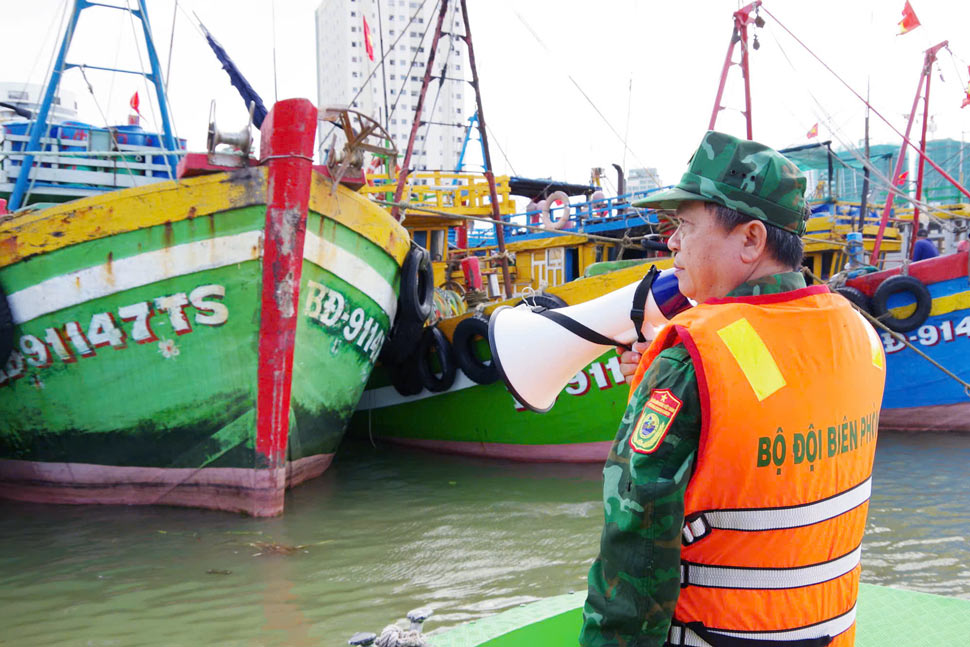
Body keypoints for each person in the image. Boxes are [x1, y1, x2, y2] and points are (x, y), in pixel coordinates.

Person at [580, 131, 887, 647]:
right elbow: (776, 402)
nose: (671, 243)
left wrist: (672, 374)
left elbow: (634, 547)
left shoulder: (692, 358)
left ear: (750, 240)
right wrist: (669, 375)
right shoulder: (858, 333)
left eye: (685, 224)